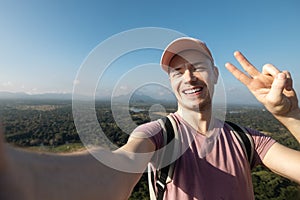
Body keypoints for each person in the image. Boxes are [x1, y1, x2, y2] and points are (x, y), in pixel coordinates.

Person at [0, 37, 299, 200]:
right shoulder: (159, 133)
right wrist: (23, 178)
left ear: (216, 74)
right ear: (170, 82)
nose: (190, 77)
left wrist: (289, 115)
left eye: (197, 66)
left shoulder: (247, 139)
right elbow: (118, 169)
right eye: (177, 71)